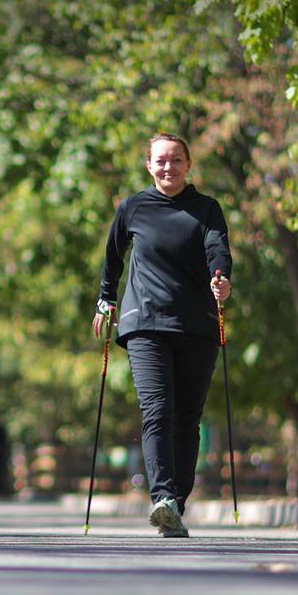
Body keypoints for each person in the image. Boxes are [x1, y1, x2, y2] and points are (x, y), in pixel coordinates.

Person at [93, 132, 232, 538]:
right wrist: (106, 299)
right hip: (145, 323)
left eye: (175, 160)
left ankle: (177, 505)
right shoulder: (132, 208)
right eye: (160, 161)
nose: (168, 167)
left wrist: (221, 279)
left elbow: (218, 250)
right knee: (157, 409)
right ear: (148, 165)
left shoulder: (206, 209)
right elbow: (112, 256)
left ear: (188, 165)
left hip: (197, 325)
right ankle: (163, 497)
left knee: (187, 419)